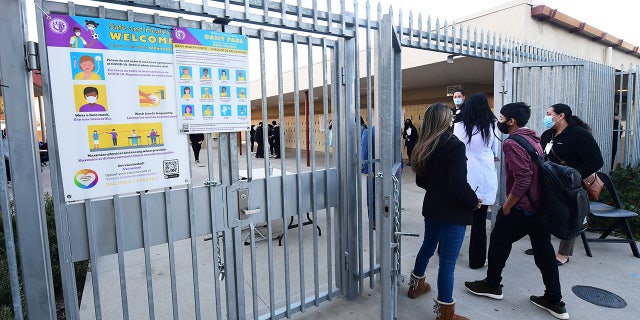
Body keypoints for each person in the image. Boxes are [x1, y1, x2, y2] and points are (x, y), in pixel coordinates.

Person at [465, 102, 569, 320]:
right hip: (538, 205)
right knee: (544, 253)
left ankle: (493, 285)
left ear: (512, 121)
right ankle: (554, 299)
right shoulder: (534, 138)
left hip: (523, 207)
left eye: (501, 118)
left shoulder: (512, 143)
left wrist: (507, 206)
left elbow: (523, 178)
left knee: (498, 241)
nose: (499, 122)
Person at [407, 103, 479, 320]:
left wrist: (438, 189)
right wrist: (474, 200)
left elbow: (421, 180)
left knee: (427, 247)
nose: (452, 120)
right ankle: (445, 313)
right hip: (452, 212)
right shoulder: (454, 145)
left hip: (432, 207)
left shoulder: (424, 144)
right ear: (443, 120)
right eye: (450, 117)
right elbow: (458, 185)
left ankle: (415, 286)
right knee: (447, 263)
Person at [524, 103, 604, 265]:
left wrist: (573, 175)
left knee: (570, 216)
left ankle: (563, 254)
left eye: (549, 113)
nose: (546, 117)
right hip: (548, 183)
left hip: (569, 185)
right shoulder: (548, 134)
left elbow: (596, 161)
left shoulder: (579, 135)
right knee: (543, 214)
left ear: (561, 116)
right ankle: (542, 246)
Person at [452, 93, 499, 269]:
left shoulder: (459, 125)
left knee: (455, 217)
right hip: (484, 175)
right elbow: (495, 151)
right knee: (479, 222)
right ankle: (477, 261)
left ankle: (447, 250)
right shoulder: (491, 125)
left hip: (463, 172)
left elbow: (456, 147)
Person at [361, 118, 376, 229]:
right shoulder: (368, 131)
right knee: (373, 195)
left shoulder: (391, 130)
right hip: (374, 169)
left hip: (388, 170)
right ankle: (374, 219)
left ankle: (376, 220)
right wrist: (368, 169)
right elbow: (365, 152)